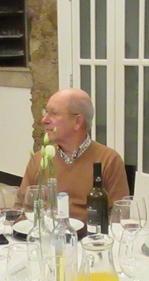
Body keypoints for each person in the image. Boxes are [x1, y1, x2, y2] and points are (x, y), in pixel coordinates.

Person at [19, 88, 129, 224]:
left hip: (90, 236)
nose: (44, 119)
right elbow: (21, 209)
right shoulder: (40, 160)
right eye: (46, 112)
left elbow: (120, 216)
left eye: (54, 113)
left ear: (77, 122)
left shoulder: (109, 160)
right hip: (48, 235)